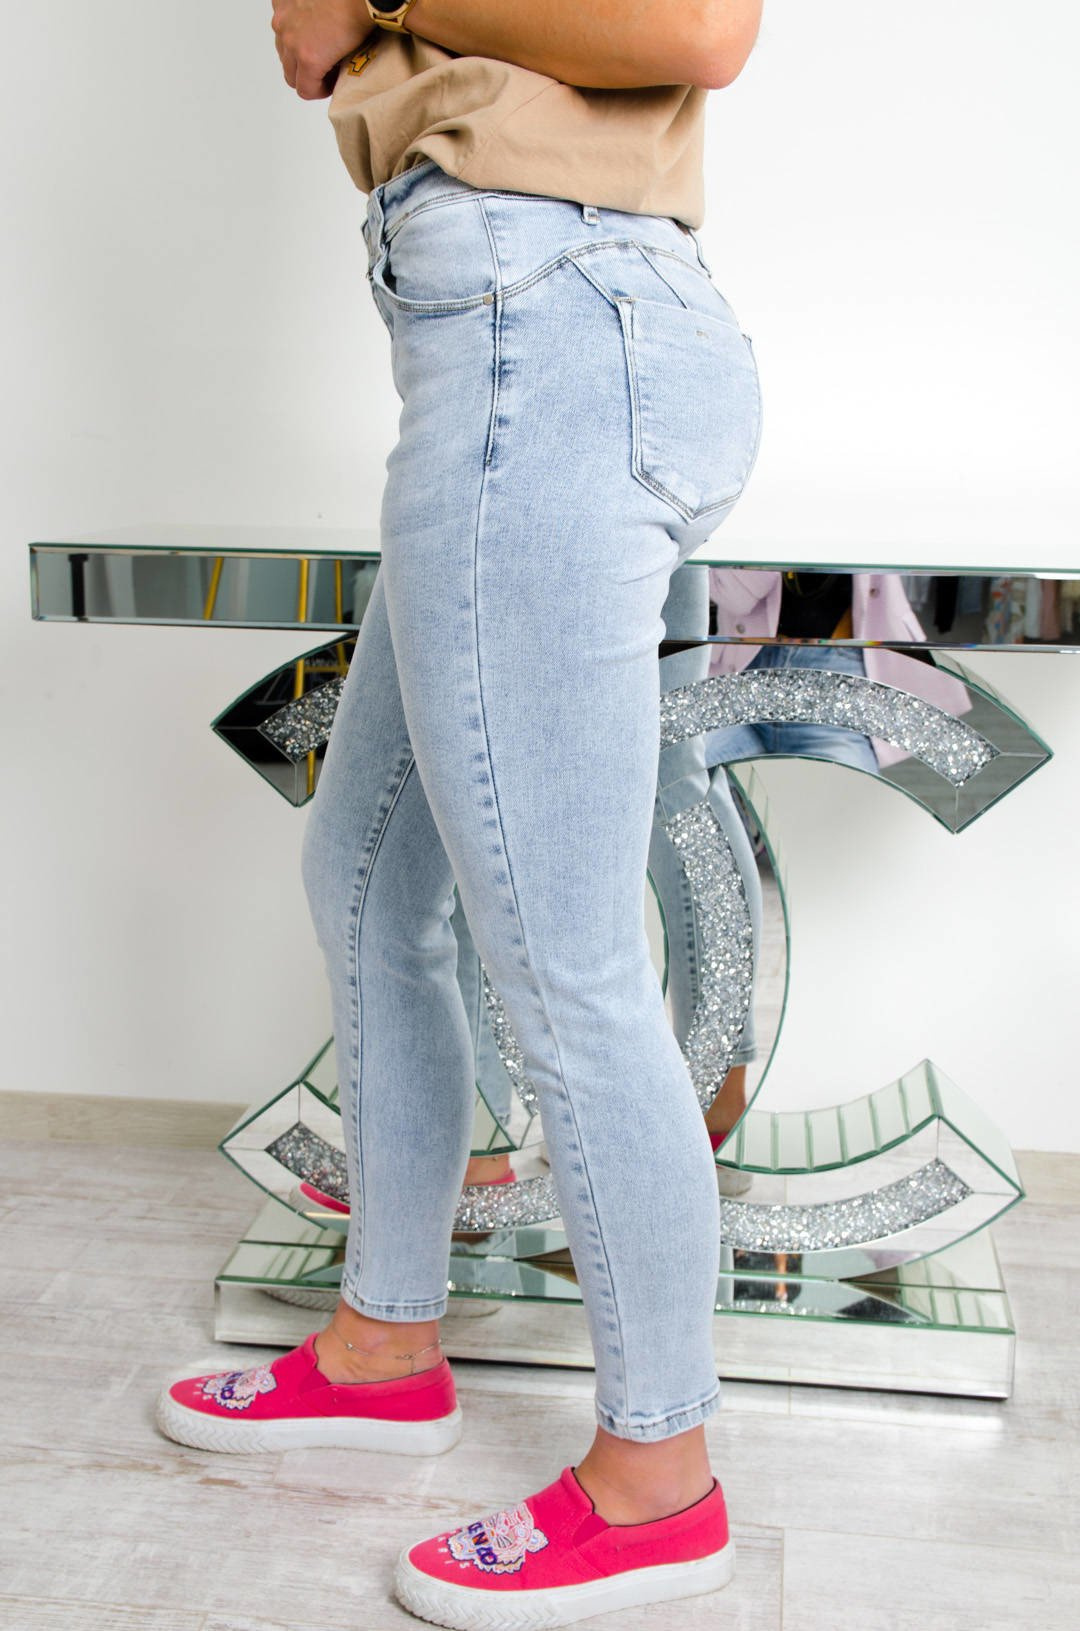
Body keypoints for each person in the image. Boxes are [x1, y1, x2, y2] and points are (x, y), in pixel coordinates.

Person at [156, 3, 765, 1625]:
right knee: (364, 877)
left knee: (564, 962)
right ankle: (384, 1342)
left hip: (548, 330)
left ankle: (659, 1481)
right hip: (506, 334)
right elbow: (308, 48)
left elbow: (702, 28)